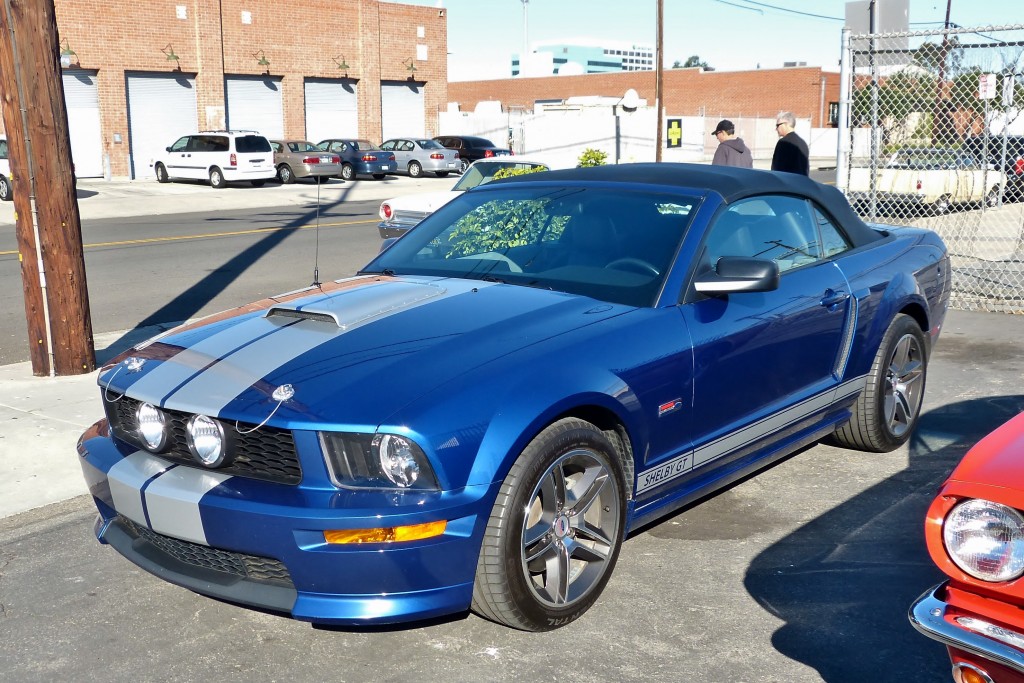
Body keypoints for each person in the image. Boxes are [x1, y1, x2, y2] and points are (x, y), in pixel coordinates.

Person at [771, 111, 809, 175]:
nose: (776, 129)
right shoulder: (803, 143)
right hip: (801, 183)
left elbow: (777, 170)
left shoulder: (783, 143)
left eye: (777, 125)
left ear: (786, 124)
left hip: (787, 183)